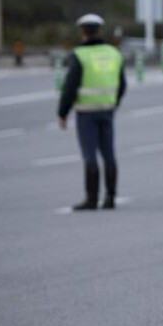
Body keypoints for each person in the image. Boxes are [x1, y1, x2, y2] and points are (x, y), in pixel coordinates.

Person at [57, 13, 126, 211]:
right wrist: (114, 102)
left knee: (90, 155)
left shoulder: (79, 55)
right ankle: (111, 198)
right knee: (109, 154)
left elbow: (70, 87)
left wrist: (62, 113)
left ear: (82, 31)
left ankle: (91, 199)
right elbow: (122, 84)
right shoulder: (114, 53)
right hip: (107, 110)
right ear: (98, 30)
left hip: (86, 113)